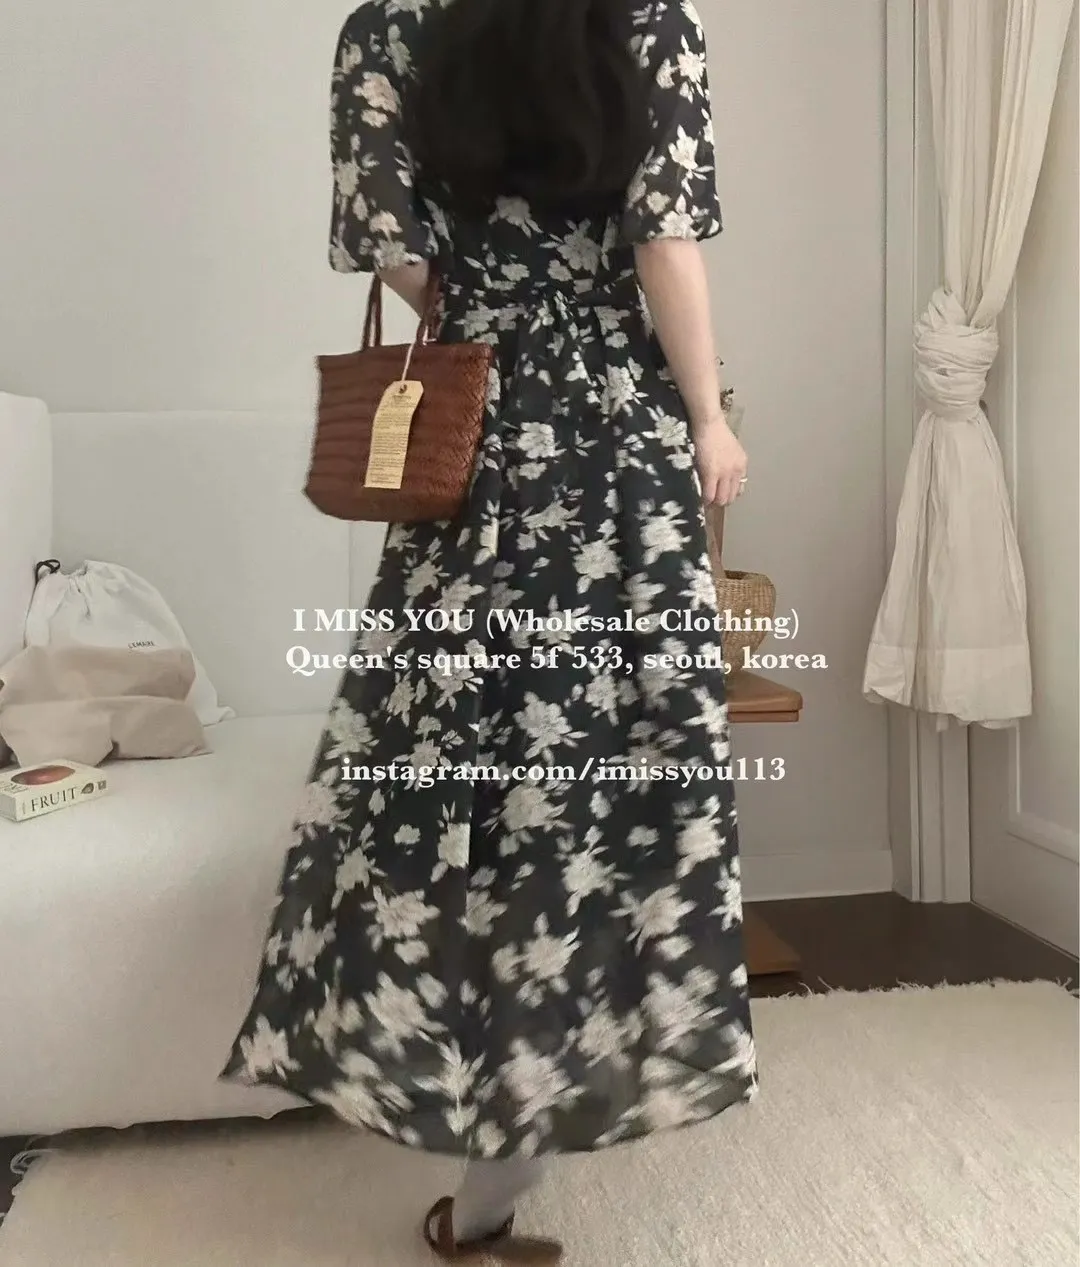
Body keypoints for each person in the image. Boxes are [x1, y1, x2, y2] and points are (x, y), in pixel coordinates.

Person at [221, 0, 757, 1260]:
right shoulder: (648, 18)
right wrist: (707, 416)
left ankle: (478, 1140)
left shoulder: (385, 27)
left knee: (462, 771)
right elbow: (662, 238)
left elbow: (390, 244)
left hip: (474, 435)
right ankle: (531, 1128)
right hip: (617, 440)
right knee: (609, 787)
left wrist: (492, 309)